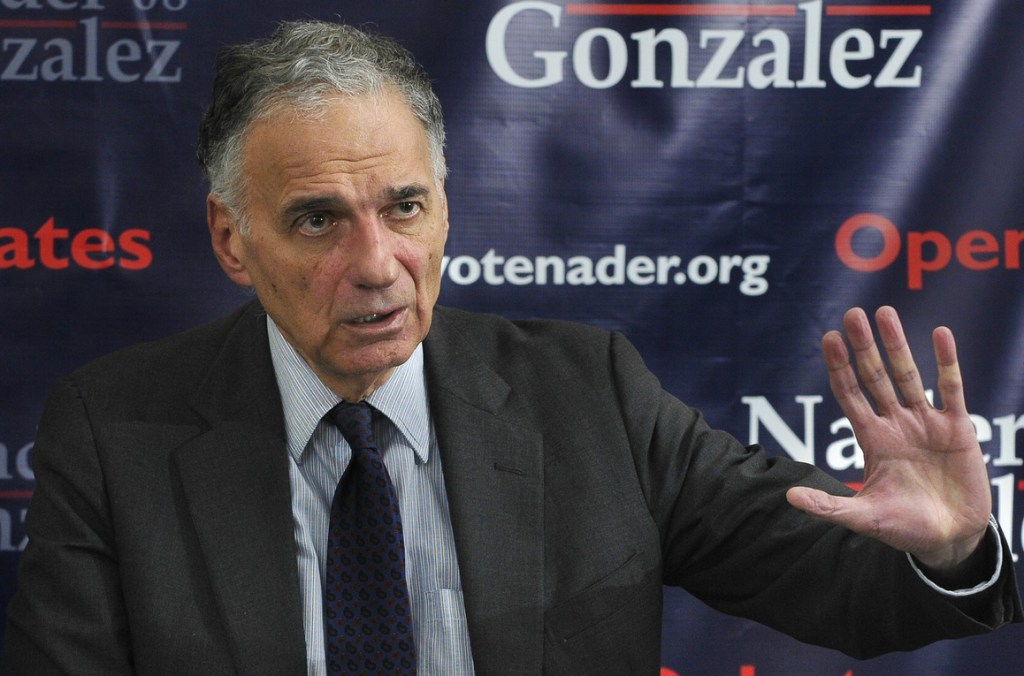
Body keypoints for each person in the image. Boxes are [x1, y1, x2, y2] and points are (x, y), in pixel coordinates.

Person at [3, 19, 1020, 676]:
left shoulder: (588, 394)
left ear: (446, 206)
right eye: (318, 220)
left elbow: (831, 586)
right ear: (233, 238)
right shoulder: (115, 426)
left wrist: (946, 550)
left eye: (405, 206)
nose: (377, 263)